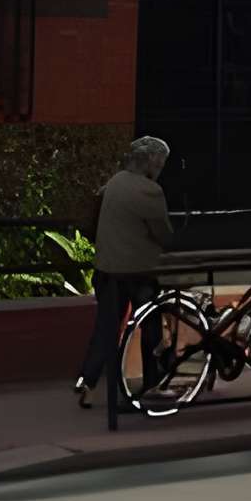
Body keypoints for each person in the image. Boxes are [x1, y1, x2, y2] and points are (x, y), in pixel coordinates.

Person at [74, 135, 175, 406]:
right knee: (150, 325)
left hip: (107, 270)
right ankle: (152, 383)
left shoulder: (114, 183)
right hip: (138, 272)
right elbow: (163, 235)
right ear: (152, 162)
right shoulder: (150, 191)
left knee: (106, 327)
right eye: (162, 163)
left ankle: (87, 381)